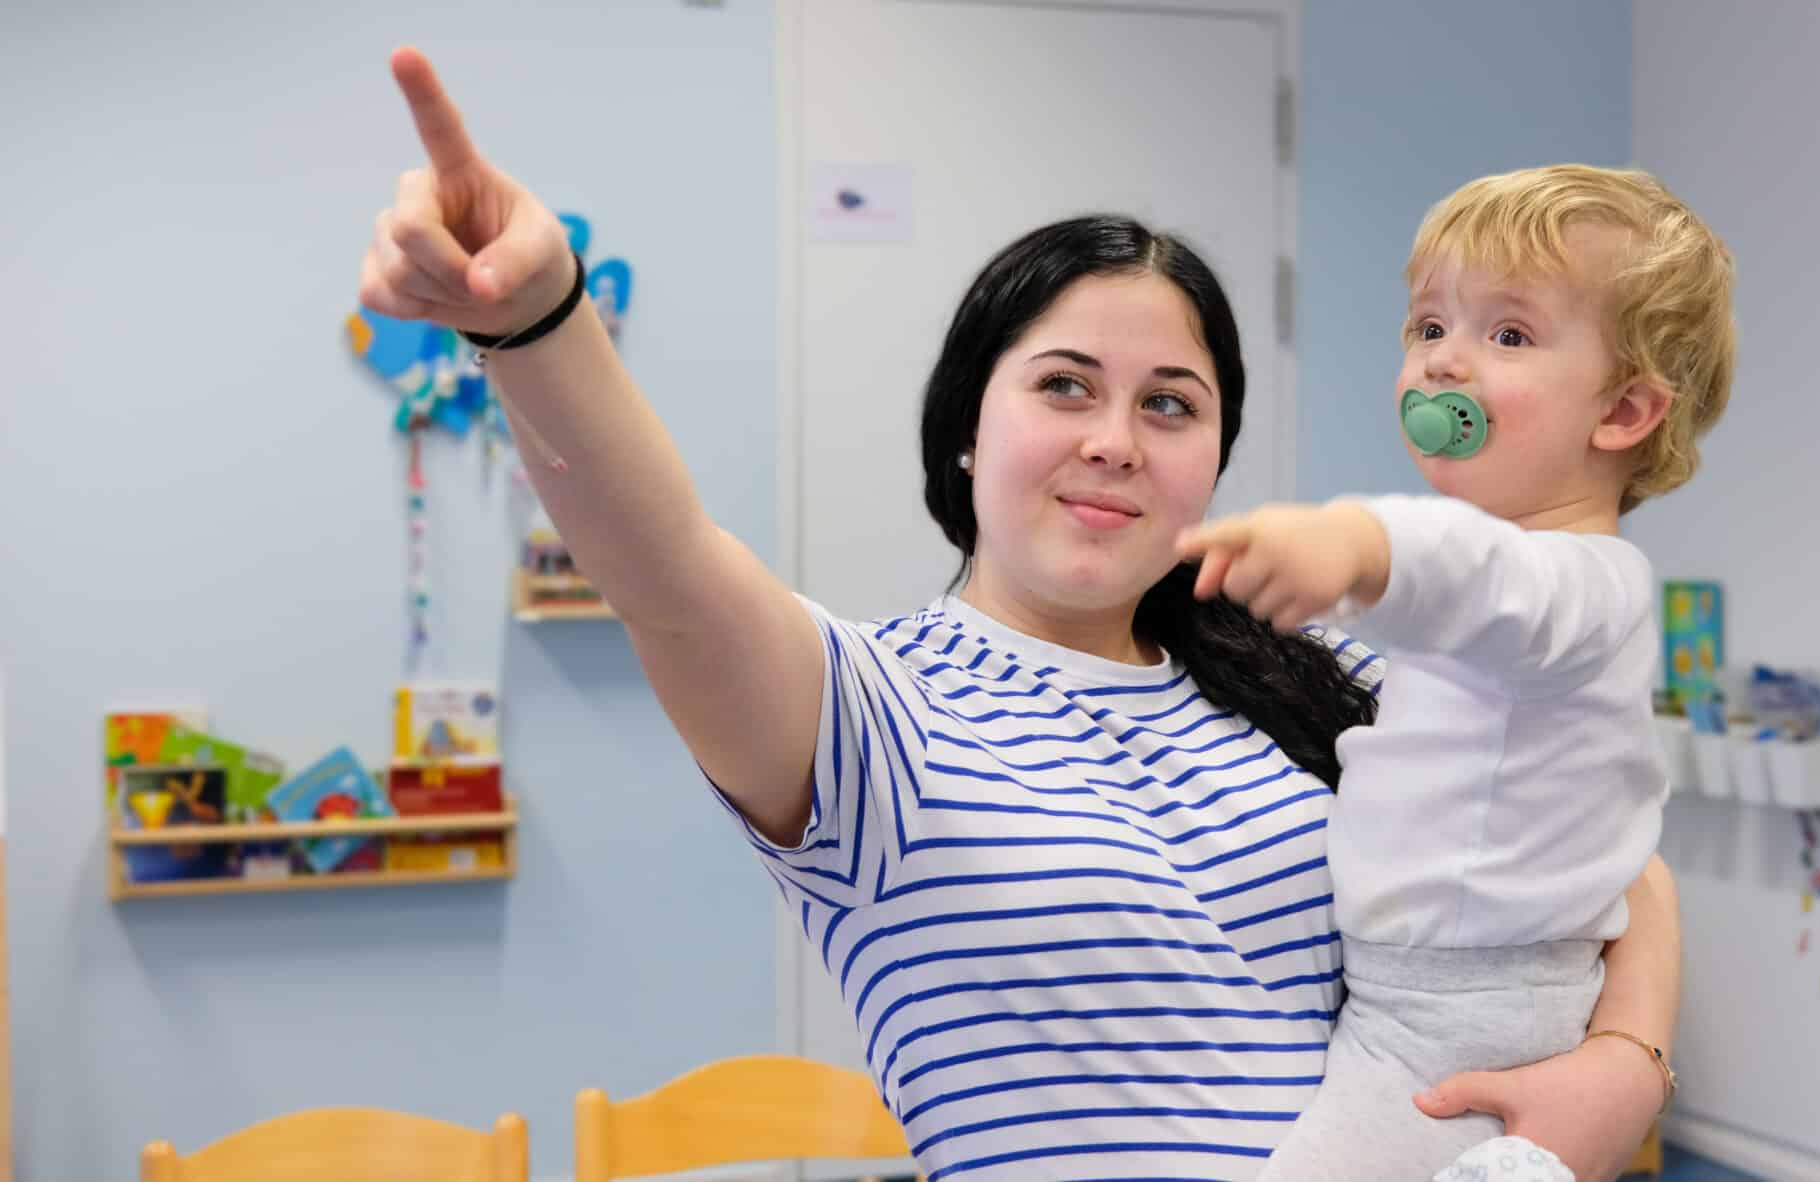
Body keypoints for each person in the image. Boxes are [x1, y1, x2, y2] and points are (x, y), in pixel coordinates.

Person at [358, 48, 1684, 1180]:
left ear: (1211, 457)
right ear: (966, 425)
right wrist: (540, 322)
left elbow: (1610, 852)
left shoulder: (1313, 666)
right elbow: (663, 564)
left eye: (1169, 403)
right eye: (1064, 385)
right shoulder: (870, 718)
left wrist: (1625, 1065)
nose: (1115, 439)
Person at [1178, 165, 1733, 1181]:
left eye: (1507, 335)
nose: (1443, 363)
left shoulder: (1581, 588)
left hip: (1463, 1014)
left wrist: (1351, 541)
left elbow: (1469, 572)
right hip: (1430, 994)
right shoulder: (1512, 609)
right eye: (1429, 327)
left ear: (1622, 413)